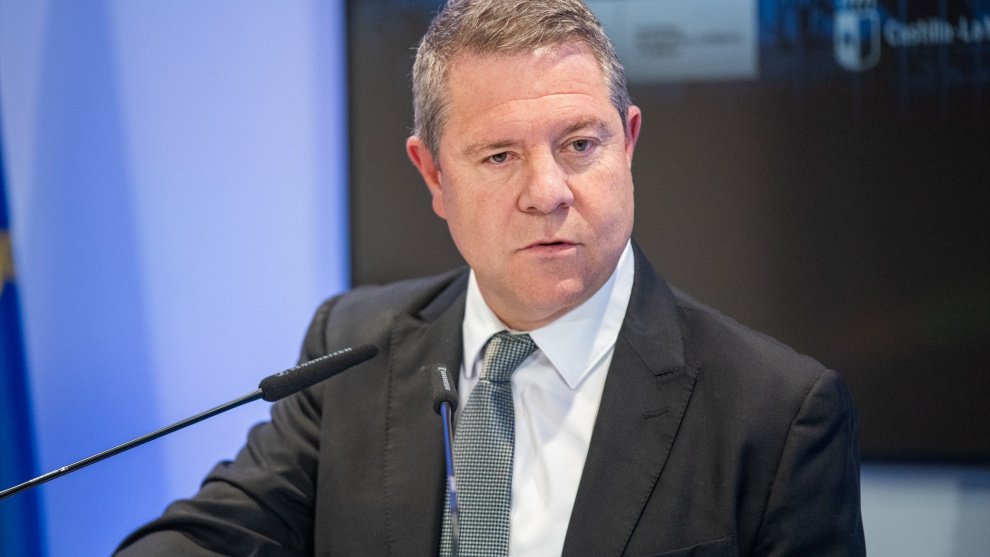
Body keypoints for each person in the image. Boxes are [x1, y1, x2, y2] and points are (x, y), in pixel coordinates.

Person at [116, 1, 866, 555]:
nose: (548, 192)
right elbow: (207, 540)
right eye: (500, 156)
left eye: (580, 144)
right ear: (434, 175)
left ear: (628, 142)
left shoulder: (777, 414)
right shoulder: (352, 350)